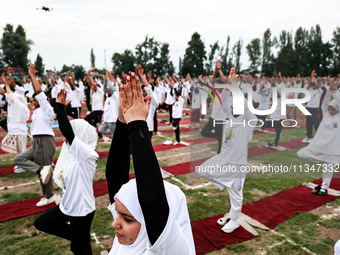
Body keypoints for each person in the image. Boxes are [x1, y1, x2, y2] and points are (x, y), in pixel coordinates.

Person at [105, 71, 195, 254]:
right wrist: (123, 123)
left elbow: (152, 200)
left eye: (127, 218)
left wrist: (137, 125)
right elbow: (114, 176)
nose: (115, 222)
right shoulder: (130, 237)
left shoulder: (169, 249)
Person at [34, 89, 98, 255]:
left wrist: (60, 108)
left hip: (81, 209)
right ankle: (79, 237)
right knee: (42, 223)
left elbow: (68, 133)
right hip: (68, 205)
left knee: (80, 250)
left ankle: (80, 240)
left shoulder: (88, 154)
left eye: (72, 132)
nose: (64, 138)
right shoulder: (72, 154)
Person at [198, 67, 256, 233]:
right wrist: (228, 85)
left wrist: (235, 84)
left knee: (236, 193)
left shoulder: (248, 121)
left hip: (237, 163)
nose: (231, 107)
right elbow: (222, 100)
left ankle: (235, 219)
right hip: (223, 159)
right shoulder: (229, 117)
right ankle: (229, 193)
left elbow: (243, 104)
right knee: (203, 170)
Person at [14, 64, 56, 207]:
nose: (34, 100)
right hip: (37, 142)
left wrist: (32, 75)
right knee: (19, 159)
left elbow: (38, 91)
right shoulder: (38, 111)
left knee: (46, 171)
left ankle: (49, 196)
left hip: (44, 140)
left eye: (35, 99)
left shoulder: (47, 108)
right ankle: (41, 173)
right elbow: (34, 91)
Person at [297, 82, 340, 196]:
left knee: (328, 168)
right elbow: (324, 103)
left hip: (332, 149)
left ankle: (324, 188)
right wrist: (329, 91)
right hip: (320, 146)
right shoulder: (326, 114)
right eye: (330, 109)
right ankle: (321, 167)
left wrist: (335, 91)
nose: (331, 111)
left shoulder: (339, 117)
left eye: (333, 109)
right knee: (301, 153)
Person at [1, 73, 30, 173]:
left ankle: (24, 166)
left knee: (21, 150)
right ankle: (21, 165)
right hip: (17, 129)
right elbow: (6, 94)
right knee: (19, 150)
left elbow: (11, 97)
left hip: (19, 130)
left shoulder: (18, 102)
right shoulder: (16, 103)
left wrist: (7, 85)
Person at [98, 71, 119, 140]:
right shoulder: (108, 96)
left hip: (112, 119)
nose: (108, 91)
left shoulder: (115, 95)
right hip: (106, 119)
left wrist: (108, 78)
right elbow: (105, 88)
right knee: (101, 130)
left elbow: (110, 87)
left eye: (109, 90)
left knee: (114, 136)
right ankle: (117, 135)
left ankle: (117, 138)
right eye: (107, 91)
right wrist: (105, 79)